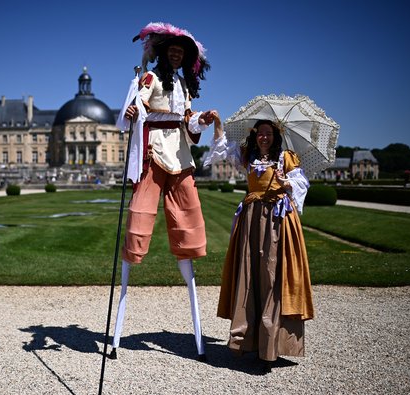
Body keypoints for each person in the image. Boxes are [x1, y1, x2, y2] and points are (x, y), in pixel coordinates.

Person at [109, 22, 216, 362]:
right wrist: (131, 111)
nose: (175, 54)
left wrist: (203, 118)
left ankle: (188, 268)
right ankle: (129, 267)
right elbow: (137, 106)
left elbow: (187, 120)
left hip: (180, 155)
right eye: (172, 49)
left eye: (181, 52)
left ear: (185, 58)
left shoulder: (184, 84)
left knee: (187, 212)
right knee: (140, 215)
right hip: (154, 151)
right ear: (162, 51)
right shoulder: (150, 78)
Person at [205, 116, 314, 373]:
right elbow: (222, 148)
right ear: (255, 136)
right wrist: (217, 123)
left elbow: (302, 183)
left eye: (268, 133)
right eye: (260, 133)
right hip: (253, 220)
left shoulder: (286, 158)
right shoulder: (247, 156)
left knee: (273, 276)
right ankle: (250, 340)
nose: (264, 137)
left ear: (276, 136)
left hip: (277, 221)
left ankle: (272, 343)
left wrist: (286, 181)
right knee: (250, 274)